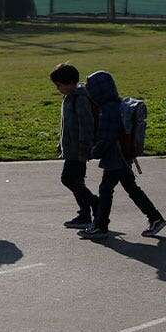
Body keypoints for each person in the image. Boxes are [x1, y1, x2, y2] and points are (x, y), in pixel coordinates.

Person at [79, 70, 166, 241]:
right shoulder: (115, 105)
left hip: (115, 157)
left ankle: (100, 226)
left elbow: (107, 136)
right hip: (122, 156)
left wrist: (93, 152)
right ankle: (155, 218)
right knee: (130, 188)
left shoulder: (108, 109)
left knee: (105, 190)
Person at [51, 63, 97, 229]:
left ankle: (94, 204)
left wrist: (85, 146)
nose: (58, 88)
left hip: (79, 150)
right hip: (70, 148)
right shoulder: (69, 97)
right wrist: (61, 143)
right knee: (76, 180)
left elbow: (86, 124)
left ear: (70, 82)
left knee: (69, 179)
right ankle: (85, 212)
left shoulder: (80, 98)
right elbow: (67, 125)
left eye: (59, 85)